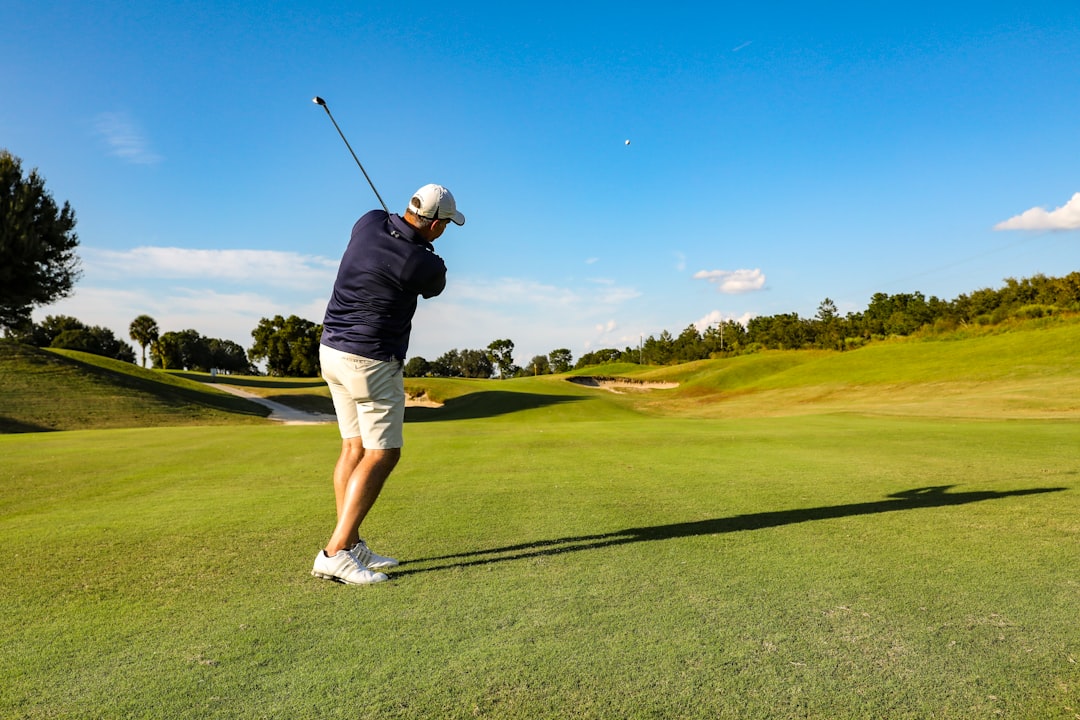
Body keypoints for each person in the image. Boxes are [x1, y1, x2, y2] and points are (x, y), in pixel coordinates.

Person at [311, 183, 464, 585]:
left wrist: (406, 235)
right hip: (370, 361)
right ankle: (337, 551)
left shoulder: (368, 222)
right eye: (445, 224)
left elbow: (385, 226)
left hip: (331, 352)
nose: (445, 231)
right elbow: (437, 280)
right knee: (383, 454)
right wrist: (423, 248)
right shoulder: (420, 263)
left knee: (353, 447)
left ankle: (352, 540)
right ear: (435, 225)